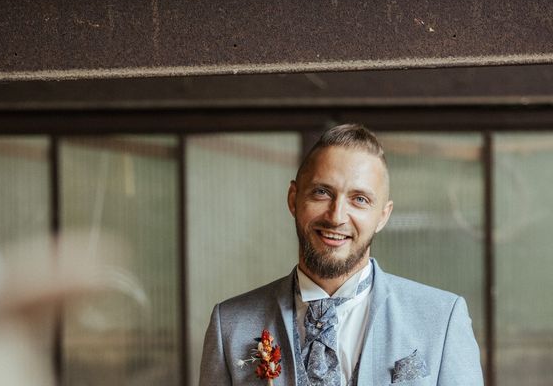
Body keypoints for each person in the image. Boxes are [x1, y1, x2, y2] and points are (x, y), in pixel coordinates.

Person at [199, 124, 483, 385]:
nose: (336, 217)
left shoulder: (442, 319)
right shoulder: (230, 324)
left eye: (360, 199)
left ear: (383, 216)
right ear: (293, 200)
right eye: (322, 192)